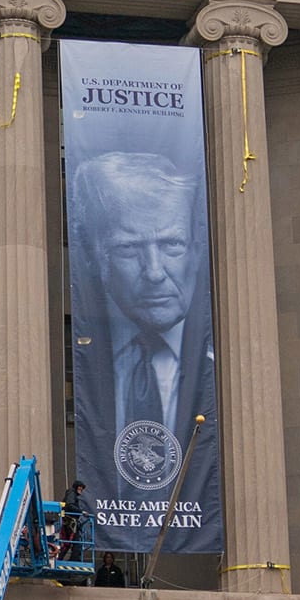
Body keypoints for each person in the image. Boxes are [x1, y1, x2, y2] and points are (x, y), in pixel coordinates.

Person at [65, 147, 223, 555]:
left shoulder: (212, 359)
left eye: (171, 244)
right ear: (96, 257)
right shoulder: (86, 356)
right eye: (129, 249)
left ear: (196, 250)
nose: (154, 273)